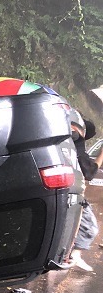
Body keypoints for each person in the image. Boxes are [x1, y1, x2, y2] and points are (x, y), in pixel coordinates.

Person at [65, 114, 103, 272]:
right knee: (90, 227)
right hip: (68, 189)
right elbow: (89, 172)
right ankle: (73, 256)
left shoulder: (62, 135)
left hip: (59, 187)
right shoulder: (75, 139)